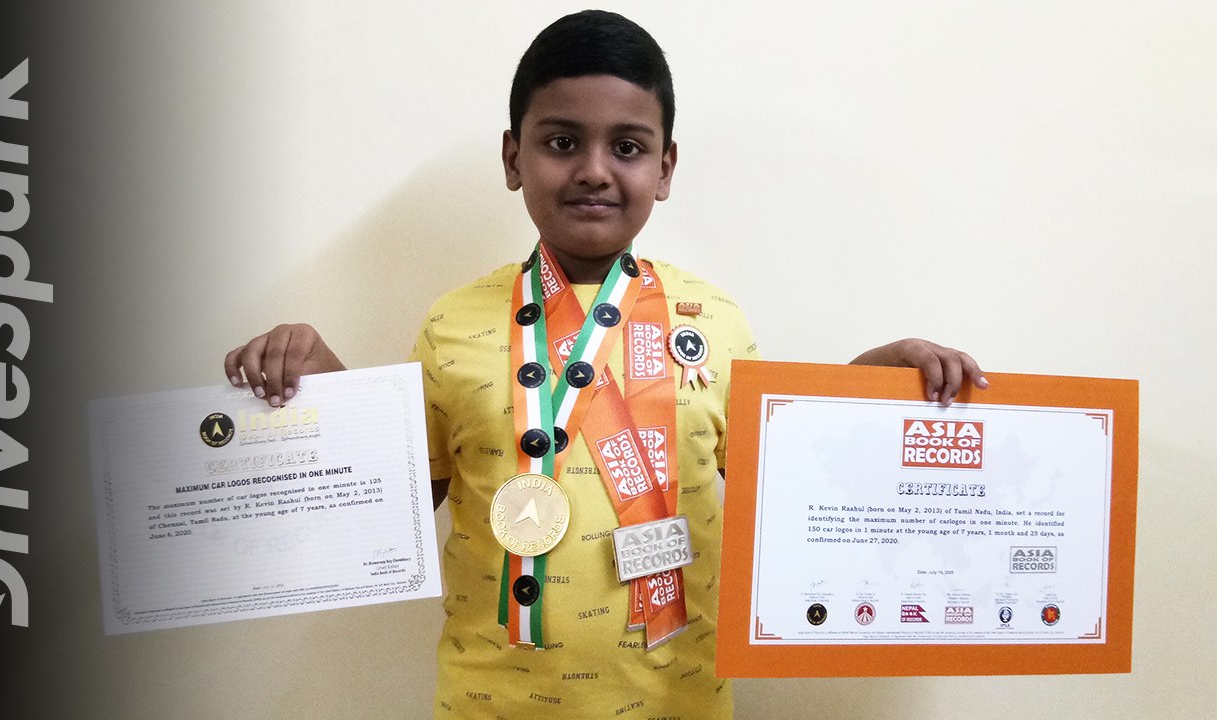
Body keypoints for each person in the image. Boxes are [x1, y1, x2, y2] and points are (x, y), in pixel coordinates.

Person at [223, 10, 987, 718]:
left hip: (678, 702)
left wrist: (871, 384)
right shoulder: (450, 323)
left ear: (665, 167)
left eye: (627, 147)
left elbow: (793, 483)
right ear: (513, 157)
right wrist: (326, 393)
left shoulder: (714, 319)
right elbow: (394, 510)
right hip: (489, 704)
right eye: (562, 142)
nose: (594, 170)